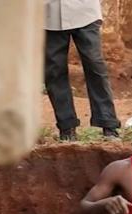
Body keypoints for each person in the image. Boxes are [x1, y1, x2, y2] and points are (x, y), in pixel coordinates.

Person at [44, 0, 121, 141]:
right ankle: (66, 127)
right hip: (48, 14)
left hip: (85, 11)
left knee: (94, 65)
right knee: (54, 70)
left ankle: (108, 123)